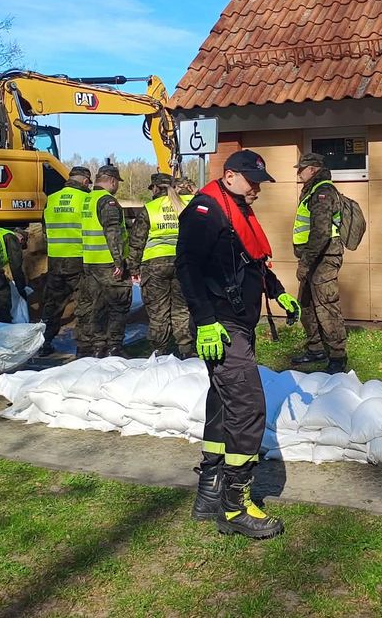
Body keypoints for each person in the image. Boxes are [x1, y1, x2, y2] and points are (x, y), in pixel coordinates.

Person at [177, 150, 300, 539]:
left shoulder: (236, 207)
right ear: (229, 176)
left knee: (224, 402)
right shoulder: (206, 211)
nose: (257, 186)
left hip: (238, 324)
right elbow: (187, 268)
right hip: (222, 325)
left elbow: (251, 261)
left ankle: (210, 493)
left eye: (260, 180)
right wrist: (206, 322)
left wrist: (277, 293)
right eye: (252, 179)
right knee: (248, 408)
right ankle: (235, 506)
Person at [288, 152, 348, 373]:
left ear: (312, 169)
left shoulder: (322, 192)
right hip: (313, 257)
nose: (298, 173)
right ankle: (315, 349)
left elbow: (321, 233)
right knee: (307, 305)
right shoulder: (313, 190)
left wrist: (305, 263)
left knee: (326, 306)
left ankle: (337, 357)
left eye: (300, 169)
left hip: (323, 259)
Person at [128, 172, 195, 358]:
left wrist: (133, 268)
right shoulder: (186, 205)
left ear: (155, 188)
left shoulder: (150, 208)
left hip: (154, 266)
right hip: (183, 263)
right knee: (182, 310)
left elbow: (137, 241)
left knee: (159, 312)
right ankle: (186, 351)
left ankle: (159, 352)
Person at [75, 164, 131, 357]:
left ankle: (98, 347)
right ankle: (114, 347)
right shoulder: (108, 201)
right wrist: (119, 261)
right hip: (108, 263)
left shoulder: (88, 199)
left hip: (90, 261)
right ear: (112, 181)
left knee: (97, 306)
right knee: (118, 303)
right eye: (117, 184)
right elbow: (112, 232)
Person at [39, 165, 92, 356]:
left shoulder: (51, 199)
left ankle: (43, 343)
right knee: (83, 303)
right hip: (79, 258)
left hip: (55, 260)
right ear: (85, 181)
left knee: (52, 304)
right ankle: (84, 347)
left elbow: (45, 230)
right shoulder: (86, 199)